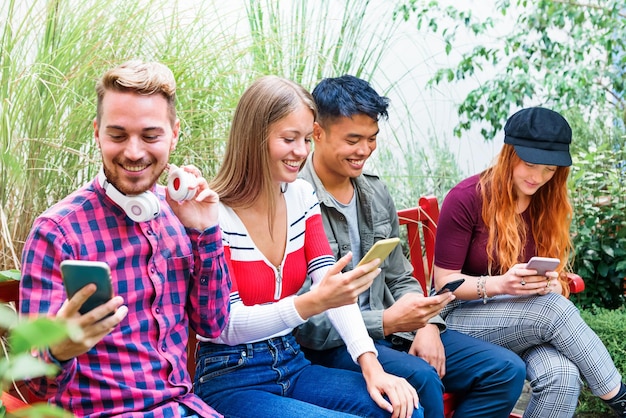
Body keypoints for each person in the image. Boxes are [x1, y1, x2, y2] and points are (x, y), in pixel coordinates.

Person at [295, 74, 527, 418]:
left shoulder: (374, 192)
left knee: (505, 371)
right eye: (353, 139)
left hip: (392, 332)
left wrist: (428, 324)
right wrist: (387, 321)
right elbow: (306, 323)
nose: (364, 150)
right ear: (317, 133)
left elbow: (399, 276)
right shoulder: (296, 197)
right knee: (421, 377)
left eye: (372, 139)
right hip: (332, 344)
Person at [194, 75, 421, 418]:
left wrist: (372, 366)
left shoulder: (301, 196)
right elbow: (225, 325)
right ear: (254, 138)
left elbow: (329, 284)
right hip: (230, 376)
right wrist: (310, 303)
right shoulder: (214, 213)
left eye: (304, 138)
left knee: (403, 407)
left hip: (291, 361)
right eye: (289, 139)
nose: (301, 152)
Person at [19, 60, 230, 417]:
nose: (134, 152)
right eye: (117, 135)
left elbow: (214, 325)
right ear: (97, 132)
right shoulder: (57, 232)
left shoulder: (181, 213)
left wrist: (205, 232)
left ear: (174, 133)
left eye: (150, 136)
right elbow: (34, 382)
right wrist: (58, 348)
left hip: (185, 408)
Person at [433, 106, 626, 418]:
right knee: (552, 311)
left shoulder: (546, 203)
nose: (538, 177)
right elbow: (443, 283)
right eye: (531, 164)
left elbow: (555, 279)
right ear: (509, 154)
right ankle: (620, 399)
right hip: (458, 320)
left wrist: (553, 282)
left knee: (562, 376)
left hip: (522, 320)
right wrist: (500, 284)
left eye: (550, 170)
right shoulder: (467, 197)